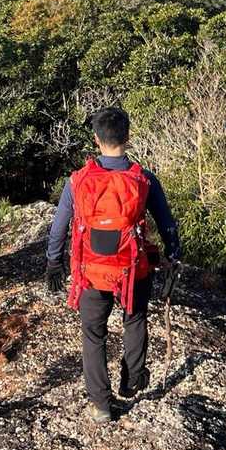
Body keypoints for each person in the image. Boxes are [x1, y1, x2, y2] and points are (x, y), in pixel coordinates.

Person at [45, 106, 181, 422]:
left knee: (93, 334)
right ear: (128, 137)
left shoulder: (78, 181)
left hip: (91, 272)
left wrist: (54, 262)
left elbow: (59, 226)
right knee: (135, 319)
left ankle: (101, 404)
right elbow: (166, 224)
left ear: (96, 139)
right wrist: (173, 256)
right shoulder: (144, 179)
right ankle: (131, 381)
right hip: (132, 270)